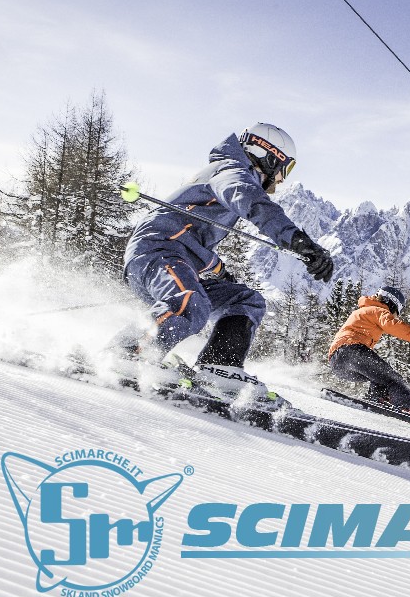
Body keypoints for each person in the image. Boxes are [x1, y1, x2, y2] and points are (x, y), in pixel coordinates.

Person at [118, 123, 333, 404]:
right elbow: (252, 202)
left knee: (246, 300)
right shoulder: (232, 172)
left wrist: (219, 271)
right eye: (286, 168)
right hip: (157, 251)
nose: (282, 179)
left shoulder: (227, 172)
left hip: (175, 254)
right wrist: (297, 240)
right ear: (268, 155)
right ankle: (127, 352)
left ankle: (219, 367)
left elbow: (192, 236)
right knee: (191, 302)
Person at [327, 285, 410, 416]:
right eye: (397, 312)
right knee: (393, 379)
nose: (396, 316)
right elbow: (396, 327)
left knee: (379, 378)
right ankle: (409, 408)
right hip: (351, 351)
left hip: (338, 362)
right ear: (392, 303)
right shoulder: (377, 310)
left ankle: (377, 402)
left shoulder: (365, 310)